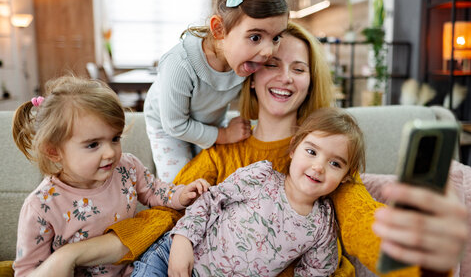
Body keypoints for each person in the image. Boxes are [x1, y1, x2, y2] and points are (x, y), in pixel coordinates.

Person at [31, 22, 467, 277]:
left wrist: (410, 254)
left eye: (299, 68)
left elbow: (361, 221)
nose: (285, 77)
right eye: (272, 64)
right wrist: (69, 255)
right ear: (251, 76)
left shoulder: (328, 157)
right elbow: (167, 215)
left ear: (310, 81)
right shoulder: (224, 152)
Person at [11, 76, 210, 277]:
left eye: (115, 139)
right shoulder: (41, 206)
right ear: (54, 151)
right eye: (93, 144)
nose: (110, 153)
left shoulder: (127, 166)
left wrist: (181, 194)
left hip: (137, 268)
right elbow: (27, 270)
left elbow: (154, 191)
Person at [131, 107, 366, 277]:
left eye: (335, 163)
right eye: (312, 152)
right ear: (293, 149)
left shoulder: (323, 226)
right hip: (174, 255)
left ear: (346, 175)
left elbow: (317, 271)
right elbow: (210, 200)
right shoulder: (261, 176)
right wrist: (182, 240)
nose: (318, 167)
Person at [144, 0, 290, 182]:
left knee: (218, 180)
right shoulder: (180, 64)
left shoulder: (245, 58)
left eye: (276, 37)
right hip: (169, 127)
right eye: (255, 37)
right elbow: (175, 125)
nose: (269, 50)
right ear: (219, 29)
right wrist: (223, 135)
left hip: (209, 122)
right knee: (181, 184)